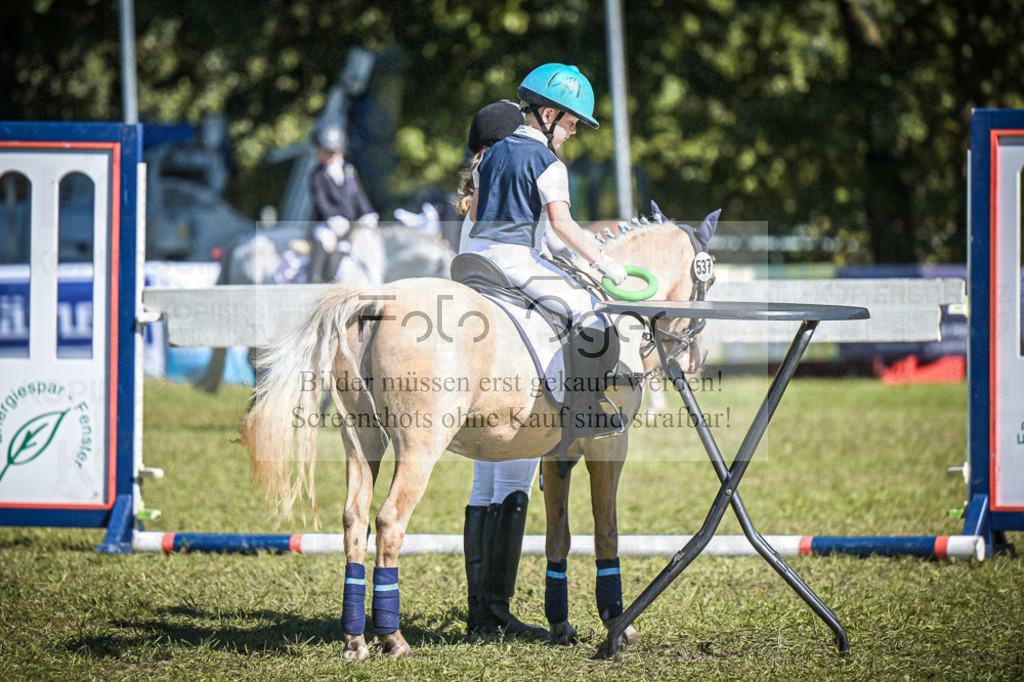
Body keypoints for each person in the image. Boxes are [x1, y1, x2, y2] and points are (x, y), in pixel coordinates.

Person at [458, 65, 629, 636]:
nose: (573, 133)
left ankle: (486, 607)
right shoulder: (548, 163)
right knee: (591, 315)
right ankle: (588, 410)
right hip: (514, 262)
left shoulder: (490, 156)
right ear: (549, 114)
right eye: (572, 122)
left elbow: (479, 213)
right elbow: (561, 228)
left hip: (472, 262)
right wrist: (606, 264)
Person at [307, 119, 378, 283]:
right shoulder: (317, 175)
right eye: (326, 152)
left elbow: (357, 194)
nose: (330, 156)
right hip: (327, 224)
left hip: (350, 223)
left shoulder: (348, 170)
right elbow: (320, 201)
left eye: (333, 152)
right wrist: (332, 218)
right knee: (325, 240)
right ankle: (315, 280)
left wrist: (367, 212)